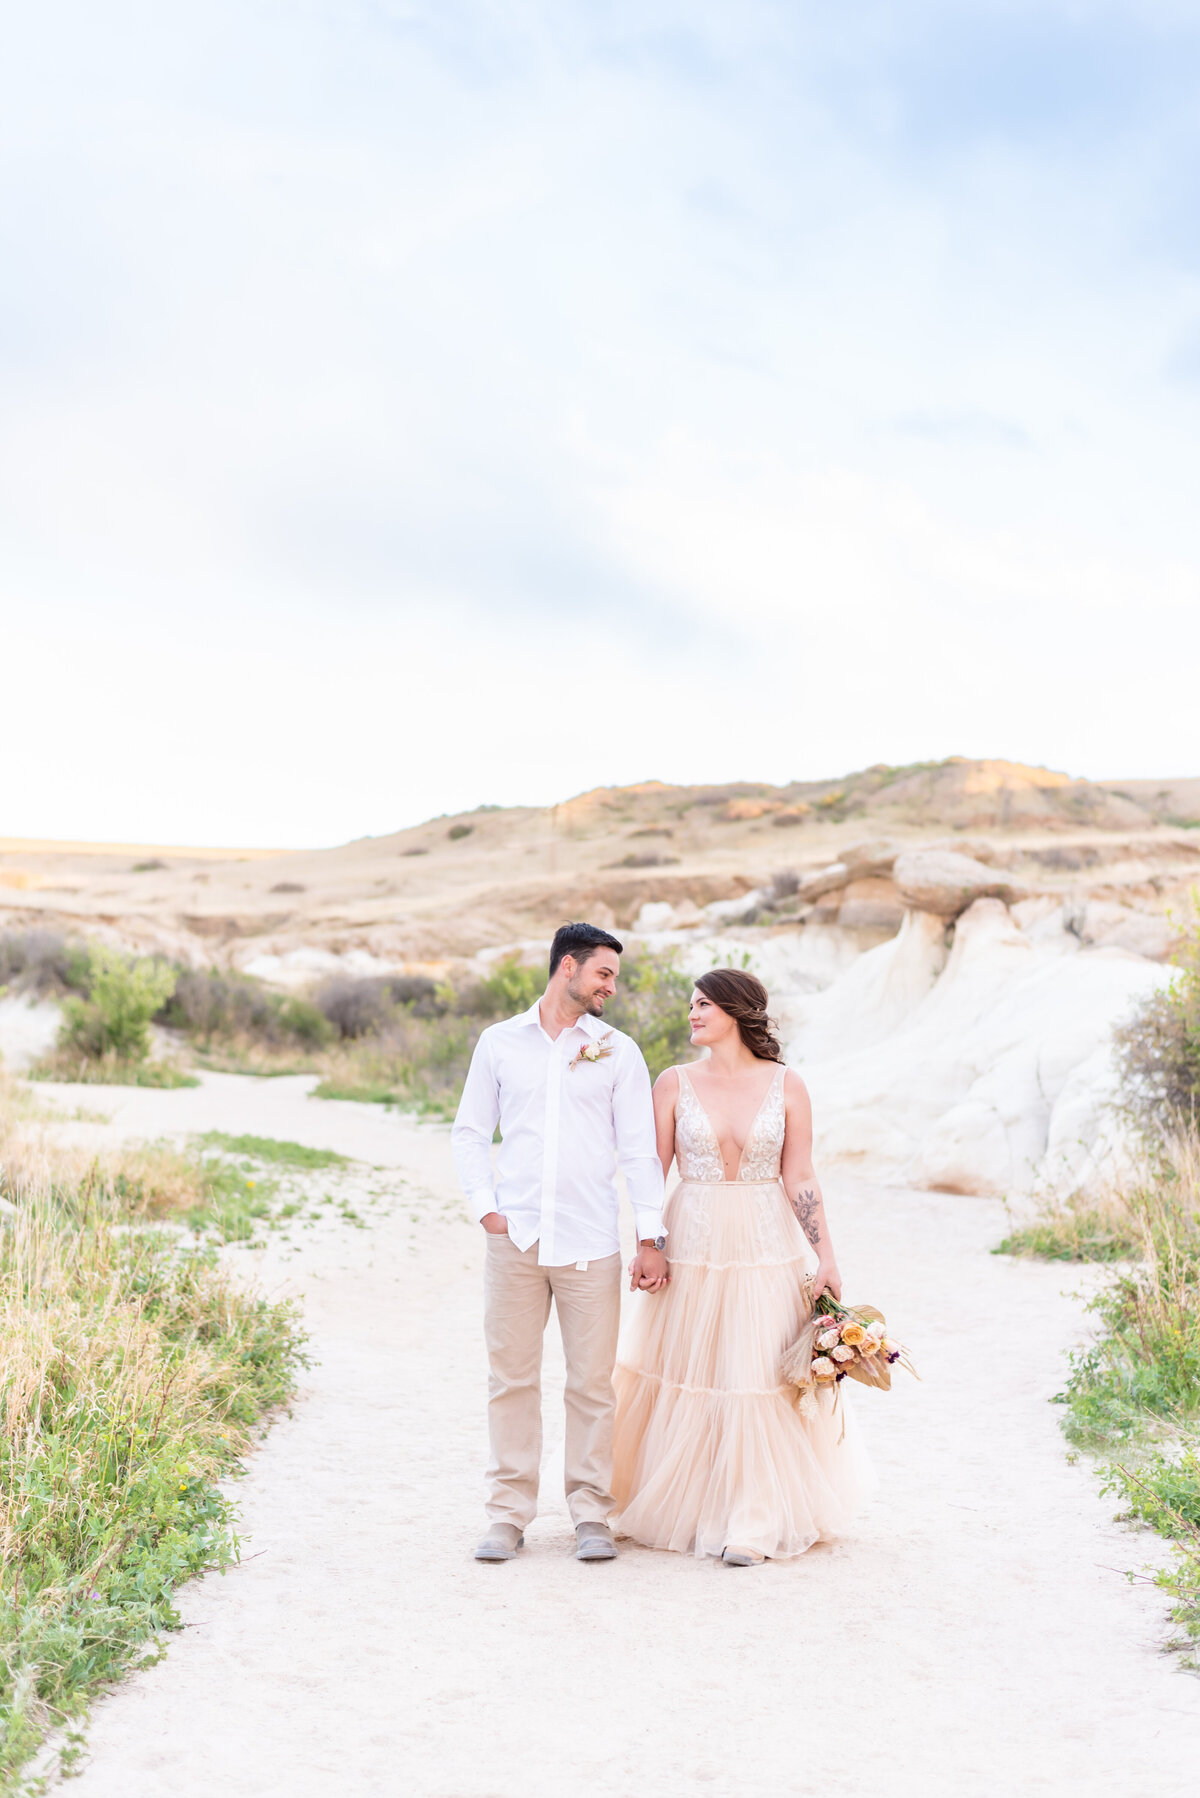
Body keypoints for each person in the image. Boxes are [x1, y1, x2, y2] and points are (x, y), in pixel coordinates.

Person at [611, 968, 876, 1564]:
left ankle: (752, 1521)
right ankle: (696, 1505)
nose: (692, 1013)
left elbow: (800, 1176)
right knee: (691, 1370)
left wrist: (826, 1256)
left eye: (703, 1004)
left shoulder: (788, 1085)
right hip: (693, 1241)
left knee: (757, 1375)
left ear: (735, 1010)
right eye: (690, 1004)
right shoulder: (673, 1082)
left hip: (763, 1245)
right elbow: (651, 1174)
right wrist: (647, 1243)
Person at [452, 922, 668, 1563]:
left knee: (592, 1385)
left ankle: (591, 1515)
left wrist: (649, 1235)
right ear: (567, 967)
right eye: (604, 974)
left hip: (590, 1242)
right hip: (514, 1239)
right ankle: (507, 1516)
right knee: (510, 1379)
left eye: (614, 979)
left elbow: (637, 1149)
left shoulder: (618, 1051)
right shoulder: (499, 1043)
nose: (610, 988)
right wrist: (487, 1210)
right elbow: (470, 1131)